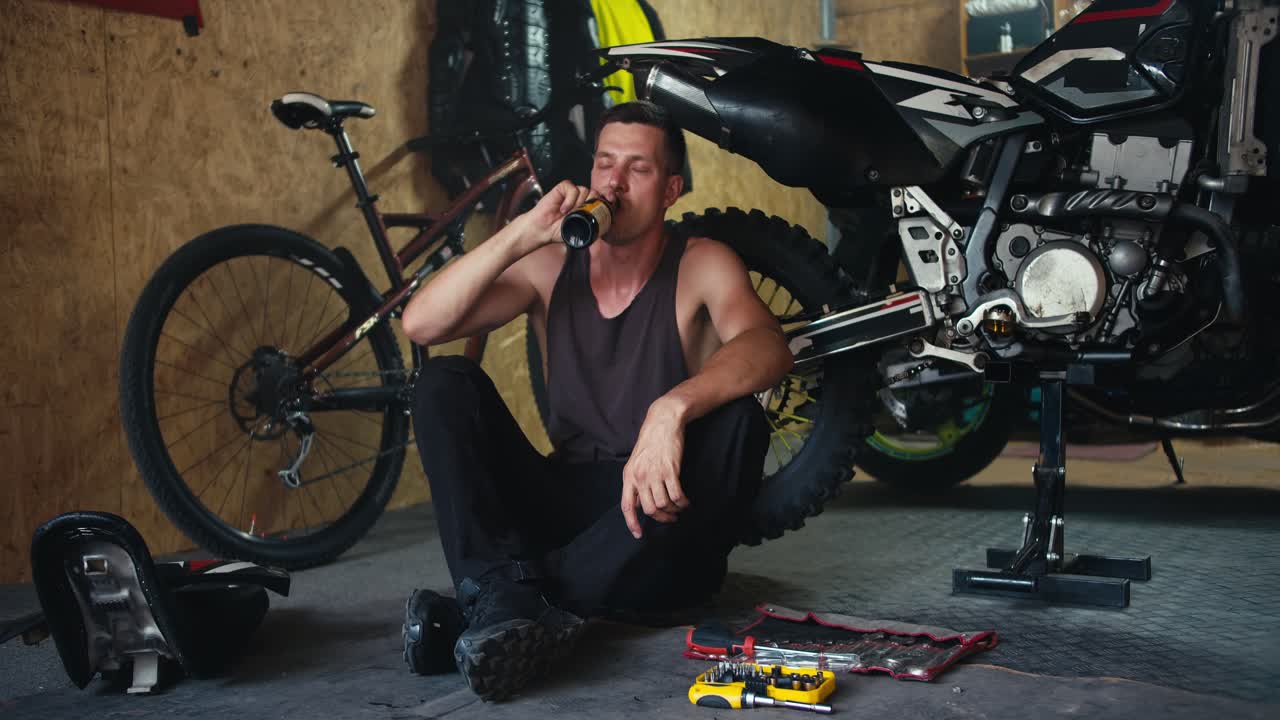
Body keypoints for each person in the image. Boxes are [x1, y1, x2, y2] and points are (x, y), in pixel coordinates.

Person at [398, 101, 793, 701]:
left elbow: (768, 347)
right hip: (564, 502)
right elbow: (422, 324)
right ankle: (520, 604)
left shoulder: (701, 263)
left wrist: (670, 411)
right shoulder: (551, 264)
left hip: (656, 517)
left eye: (637, 168)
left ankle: (499, 606)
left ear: (671, 188)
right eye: (605, 162)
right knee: (442, 383)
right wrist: (521, 234)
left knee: (741, 422)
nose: (613, 181)